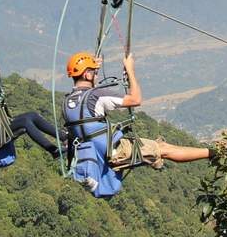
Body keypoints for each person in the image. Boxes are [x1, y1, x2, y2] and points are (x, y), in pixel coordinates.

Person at [62, 50, 210, 196]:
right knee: (164, 149)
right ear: (87, 74)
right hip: (113, 152)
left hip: (93, 153)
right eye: (94, 73)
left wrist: (95, 67)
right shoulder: (97, 95)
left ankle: (153, 158)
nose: (97, 76)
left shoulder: (67, 102)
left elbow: (87, 108)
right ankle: (213, 153)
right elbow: (136, 99)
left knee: (156, 149)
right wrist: (130, 70)